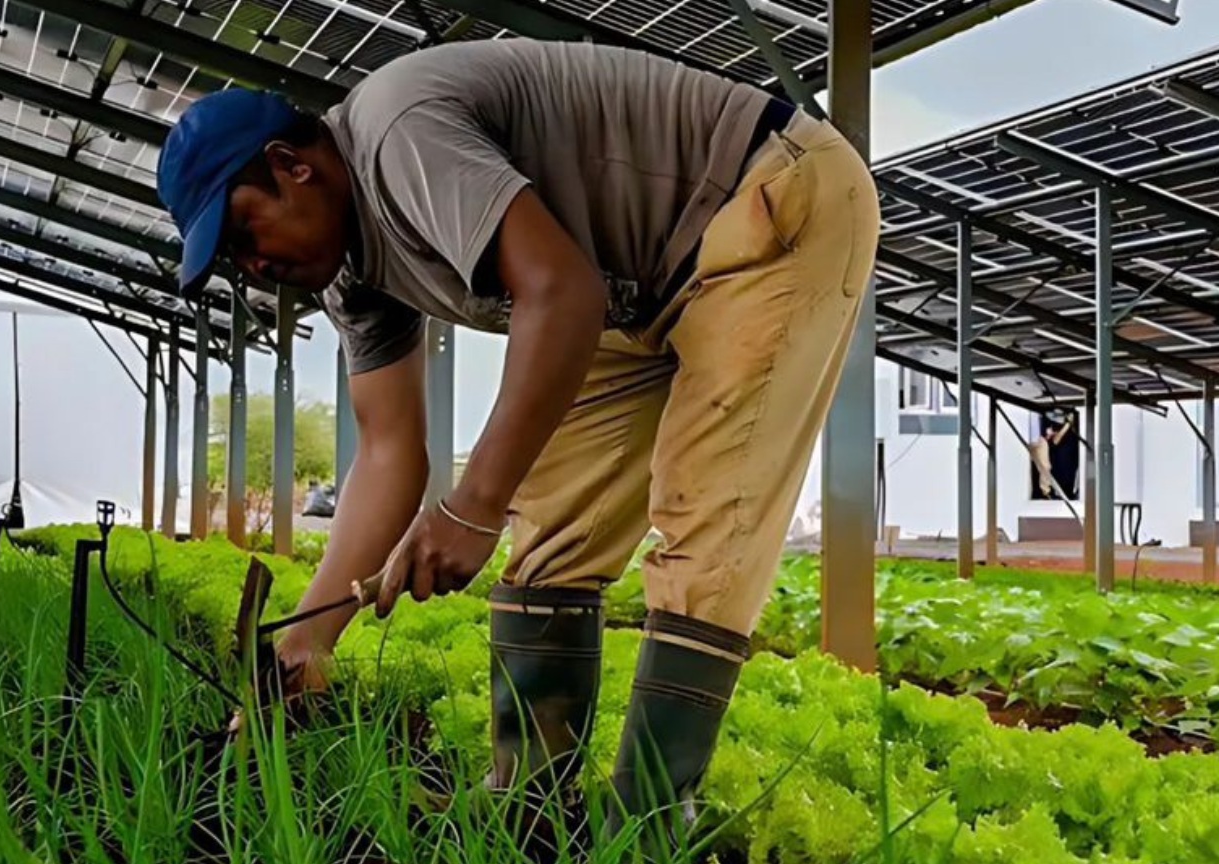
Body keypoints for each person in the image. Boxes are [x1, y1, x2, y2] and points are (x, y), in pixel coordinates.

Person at [152, 39, 878, 858]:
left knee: (709, 521)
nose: (254, 267)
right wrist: (309, 637)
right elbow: (389, 452)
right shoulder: (351, 278)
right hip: (629, 290)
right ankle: (531, 804)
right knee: (555, 535)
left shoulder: (396, 136)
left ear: (291, 166)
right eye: (233, 261)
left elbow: (559, 293)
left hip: (763, 199)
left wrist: (473, 508)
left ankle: (646, 824)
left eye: (244, 231)